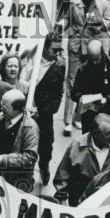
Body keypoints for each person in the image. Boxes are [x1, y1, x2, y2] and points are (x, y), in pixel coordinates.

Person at [63, 0, 110, 134]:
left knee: (88, 84)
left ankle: (79, 116)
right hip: (76, 46)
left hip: (92, 47)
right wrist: (59, 28)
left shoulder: (104, 4)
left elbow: (109, 24)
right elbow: (67, 19)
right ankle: (67, 120)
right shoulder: (74, 1)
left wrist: (100, 22)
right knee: (71, 82)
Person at [0, 89, 40, 191]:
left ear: (17, 108)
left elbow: (30, 157)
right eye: (1, 104)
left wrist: (3, 159)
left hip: (15, 181)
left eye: (5, 106)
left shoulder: (30, 128)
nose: (1, 108)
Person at [53, 112, 110, 206]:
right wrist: (62, 199)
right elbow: (62, 176)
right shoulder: (77, 146)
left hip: (108, 202)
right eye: (108, 133)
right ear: (95, 134)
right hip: (80, 202)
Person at [70, 38, 110, 134]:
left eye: (96, 59)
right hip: (88, 117)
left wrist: (107, 99)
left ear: (102, 53)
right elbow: (74, 93)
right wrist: (81, 98)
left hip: (108, 115)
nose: (94, 62)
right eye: (91, 59)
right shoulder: (82, 69)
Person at [33, 32, 65, 184]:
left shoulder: (60, 65)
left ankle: (44, 166)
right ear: (44, 48)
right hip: (26, 109)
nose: (58, 53)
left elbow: (59, 89)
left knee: (46, 145)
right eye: (54, 50)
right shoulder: (31, 59)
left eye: (60, 50)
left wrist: (53, 108)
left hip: (45, 113)